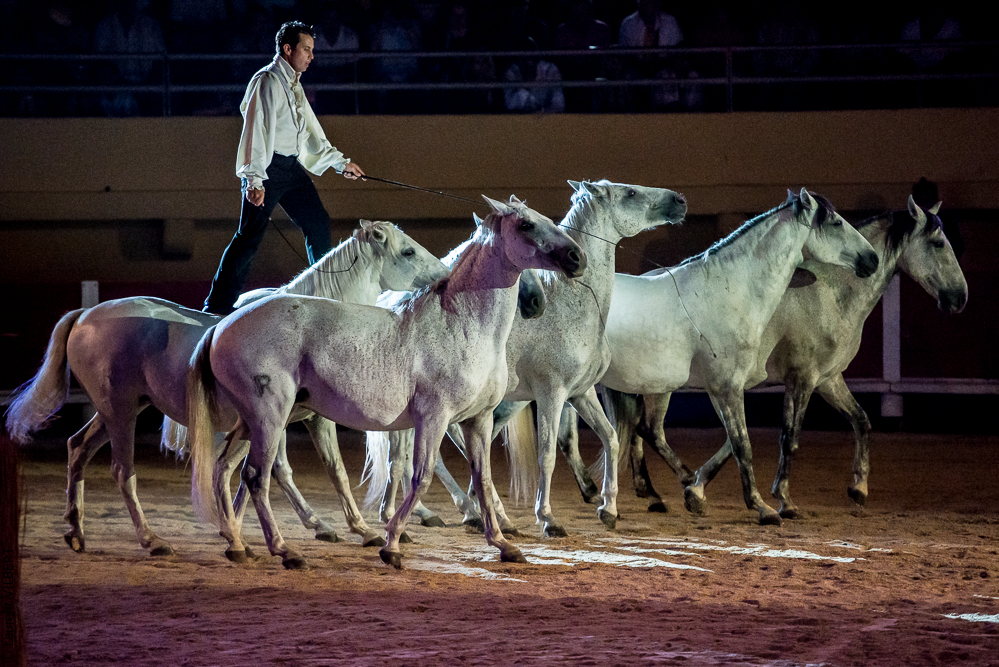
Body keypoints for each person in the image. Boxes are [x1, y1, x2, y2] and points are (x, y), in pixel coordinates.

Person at [203, 21, 366, 316]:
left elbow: (311, 131)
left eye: (312, 50)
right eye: (306, 49)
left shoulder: (294, 84)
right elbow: (256, 130)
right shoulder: (267, 81)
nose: (311, 56)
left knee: (317, 222)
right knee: (249, 237)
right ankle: (215, 306)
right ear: (288, 49)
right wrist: (254, 181)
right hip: (268, 170)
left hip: (290, 168)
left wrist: (340, 164)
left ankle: (324, 296)